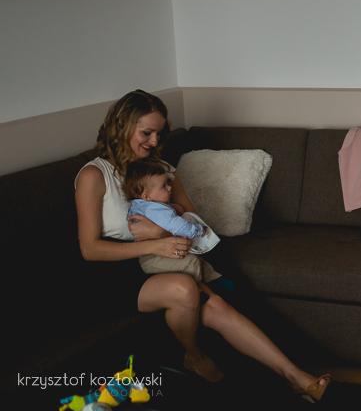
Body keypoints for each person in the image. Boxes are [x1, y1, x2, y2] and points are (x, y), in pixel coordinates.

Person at [74, 90, 330, 401]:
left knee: (220, 305)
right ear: (122, 126)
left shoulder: (163, 171)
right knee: (185, 289)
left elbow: (194, 221)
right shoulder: (94, 174)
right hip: (115, 272)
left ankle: (296, 378)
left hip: (168, 257)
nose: (154, 141)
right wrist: (153, 246)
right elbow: (89, 249)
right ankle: (195, 358)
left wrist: (159, 231)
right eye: (147, 133)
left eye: (159, 133)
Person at [123, 159, 222, 284]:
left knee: (196, 260)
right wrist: (197, 230)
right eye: (163, 186)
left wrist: (174, 208)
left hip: (155, 255)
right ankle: (201, 289)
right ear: (146, 196)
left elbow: (163, 217)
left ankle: (213, 279)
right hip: (153, 259)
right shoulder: (153, 209)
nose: (169, 188)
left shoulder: (143, 206)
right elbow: (176, 225)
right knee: (191, 262)